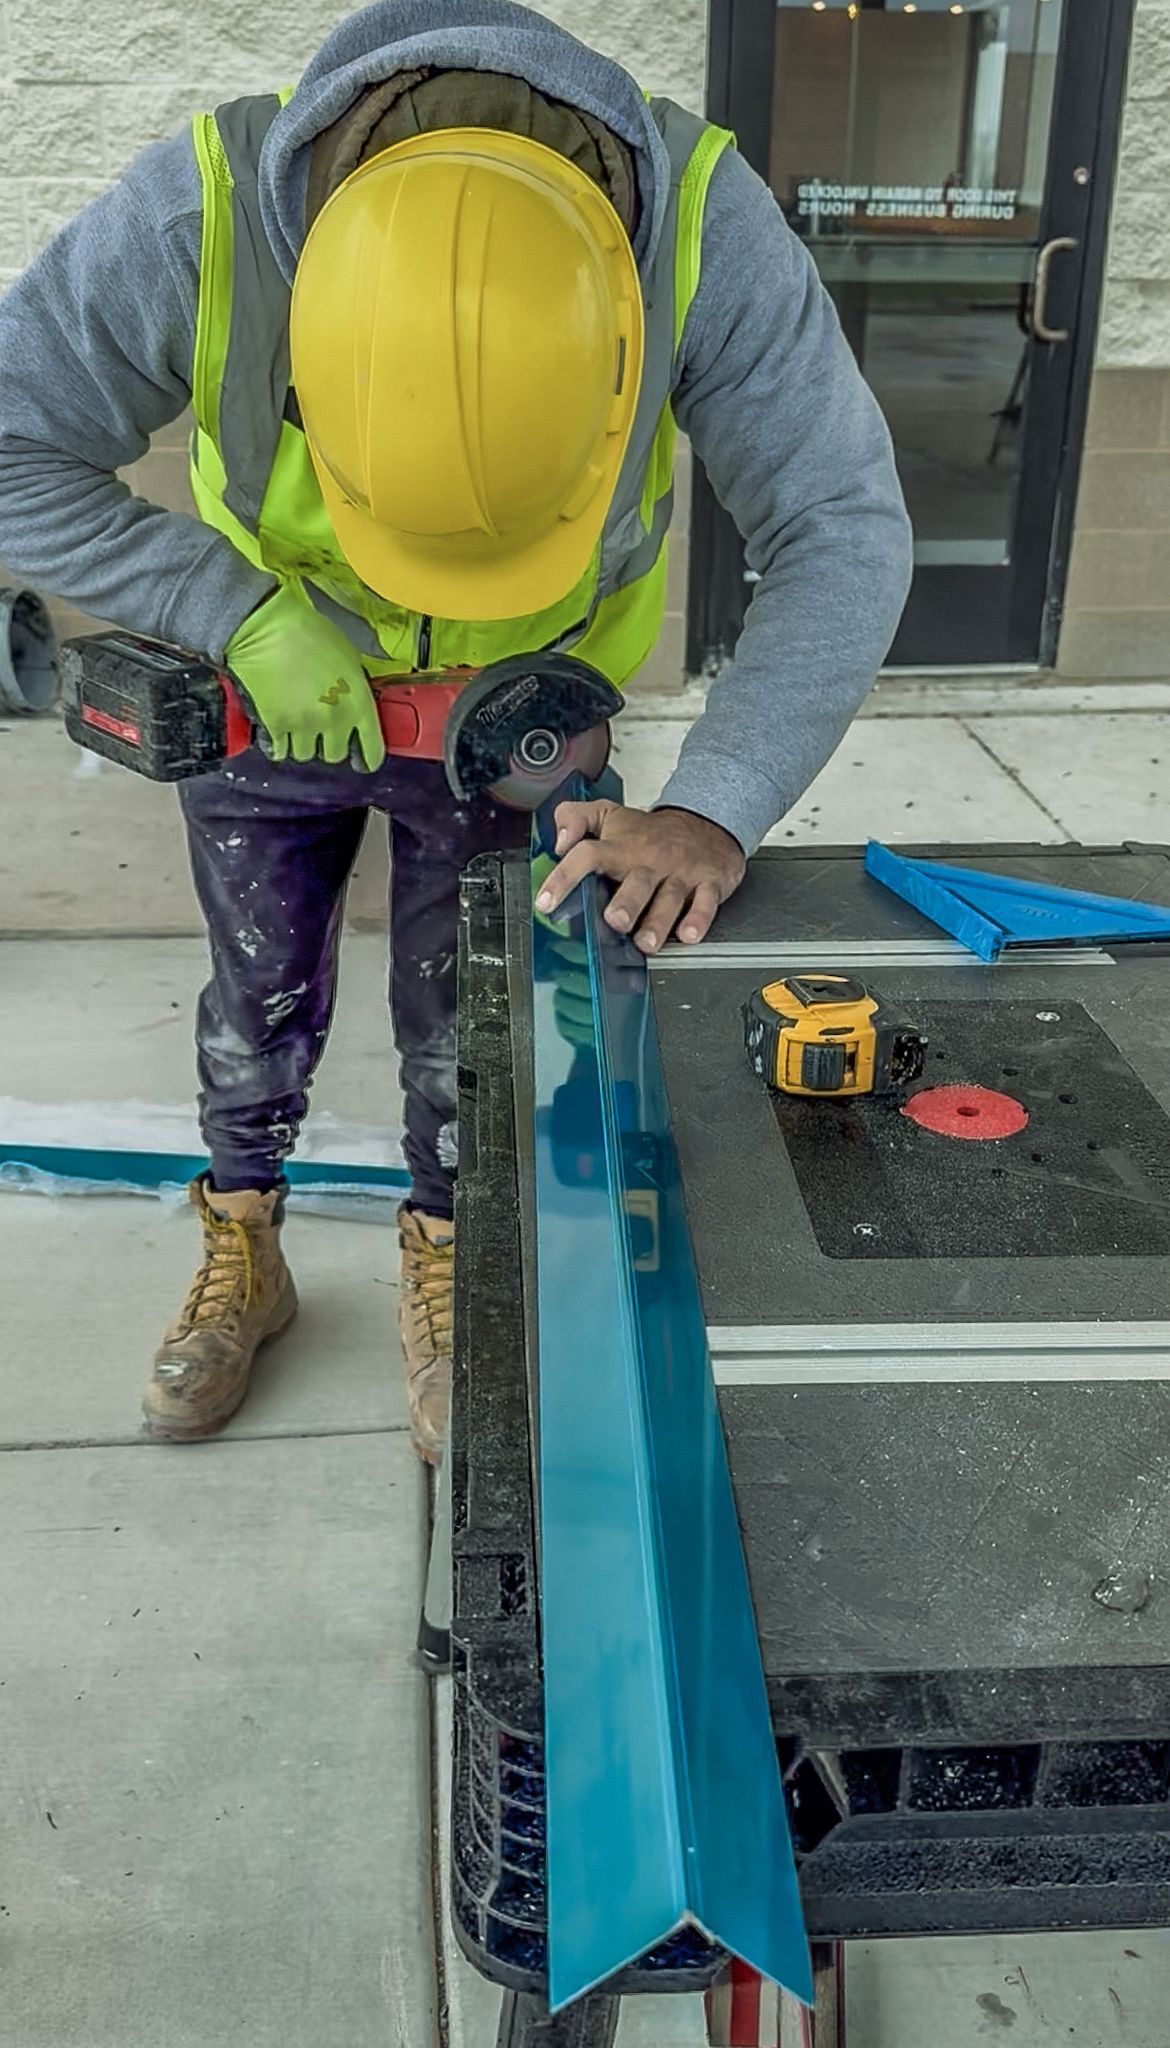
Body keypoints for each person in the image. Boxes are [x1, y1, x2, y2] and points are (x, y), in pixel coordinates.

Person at [0, 0, 911, 1461]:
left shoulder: (694, 224)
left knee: (474, 1042)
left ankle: (448, 1256)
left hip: (519, 725)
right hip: (268, 690)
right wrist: (227, 605)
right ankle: (245, 1242)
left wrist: (721, 798)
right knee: (255, 1000)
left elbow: (841, 523)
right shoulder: (209, 208)